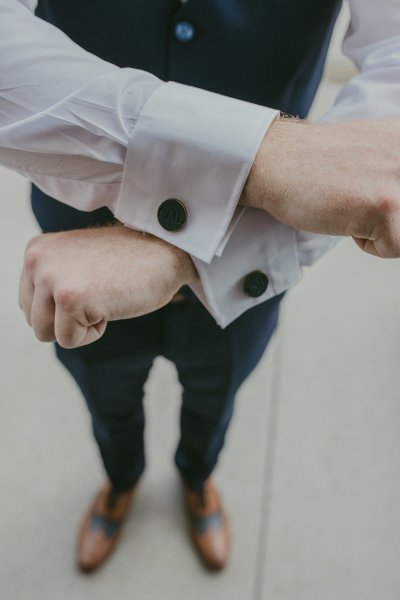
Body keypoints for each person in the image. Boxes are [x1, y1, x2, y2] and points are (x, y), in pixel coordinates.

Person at [1, 0, 400, 573]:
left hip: (240, 285)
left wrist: (178, 256)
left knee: (216, 397)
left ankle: (197, 479)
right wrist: (267, 157)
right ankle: (121, 482)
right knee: (106, 398)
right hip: (78, 255)